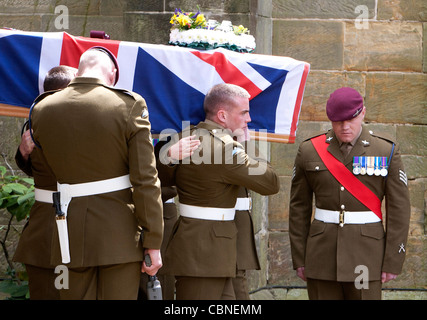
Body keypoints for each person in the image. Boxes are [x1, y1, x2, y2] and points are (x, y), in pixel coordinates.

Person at [29, 47, 164, 300]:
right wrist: (153, 240)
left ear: (79, 70)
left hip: (67, 232)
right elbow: (145, 179)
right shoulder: (130, 104)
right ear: (112, 73)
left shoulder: (42, 108)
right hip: (118, 234)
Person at [159, 83, 280, 300]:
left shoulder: (182, 137)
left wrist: (167, 155)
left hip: (200, 249)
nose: (249, 120)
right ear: (222, 116)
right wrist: (247, 145)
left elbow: (159, 177)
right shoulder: (226, 149)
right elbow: (270, 182)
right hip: (208, 252)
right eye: (244, 112)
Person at [289, 87, 411, 300]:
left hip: (366, 256)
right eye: (337, 121)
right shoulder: (309, 150)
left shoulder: (385, 150)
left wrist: (393, 260)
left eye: (351, 119)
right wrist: (300, 258)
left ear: (362, 113)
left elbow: (399, 210)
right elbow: (298, 207)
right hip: (321, 255)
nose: (345, 127)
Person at [13, 65, 77, 300]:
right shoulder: (74, 122)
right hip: (68, 224)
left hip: (45, 228)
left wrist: (23, 153)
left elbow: (32, 166)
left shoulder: (35, 121)